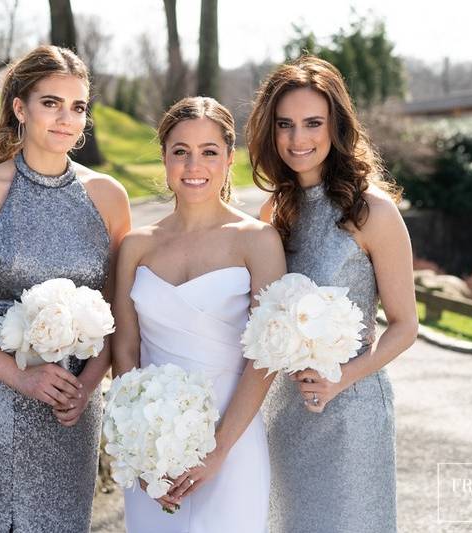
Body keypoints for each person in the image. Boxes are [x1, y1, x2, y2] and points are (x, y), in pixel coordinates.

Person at [0, 45, 130, 532]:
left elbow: (119, 313)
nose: (66, 119)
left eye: (77, 107)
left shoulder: (108, 197)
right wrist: (21, 379)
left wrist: (90, 384)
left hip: (70, 408)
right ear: (20, 107)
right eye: (51, 103)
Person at [246, 56, 419, 532]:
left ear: (336, 126)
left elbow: (406, 325)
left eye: (312, 123)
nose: (298, 139)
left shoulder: (373, 211)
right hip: (285, 409)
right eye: (285, 125)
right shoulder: (273, 211)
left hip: (351, 411)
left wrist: (343, 379)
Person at [112, 96, 285, 533]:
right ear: (165, 159)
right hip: (152, 453)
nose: (194, 166)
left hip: (234, 441)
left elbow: (265, 356)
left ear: (229, 159)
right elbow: (126, 350)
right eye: (180, 152)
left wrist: (219, 449)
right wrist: (142, 447)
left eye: (209, 152)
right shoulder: (137, 246)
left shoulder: (257, 241)